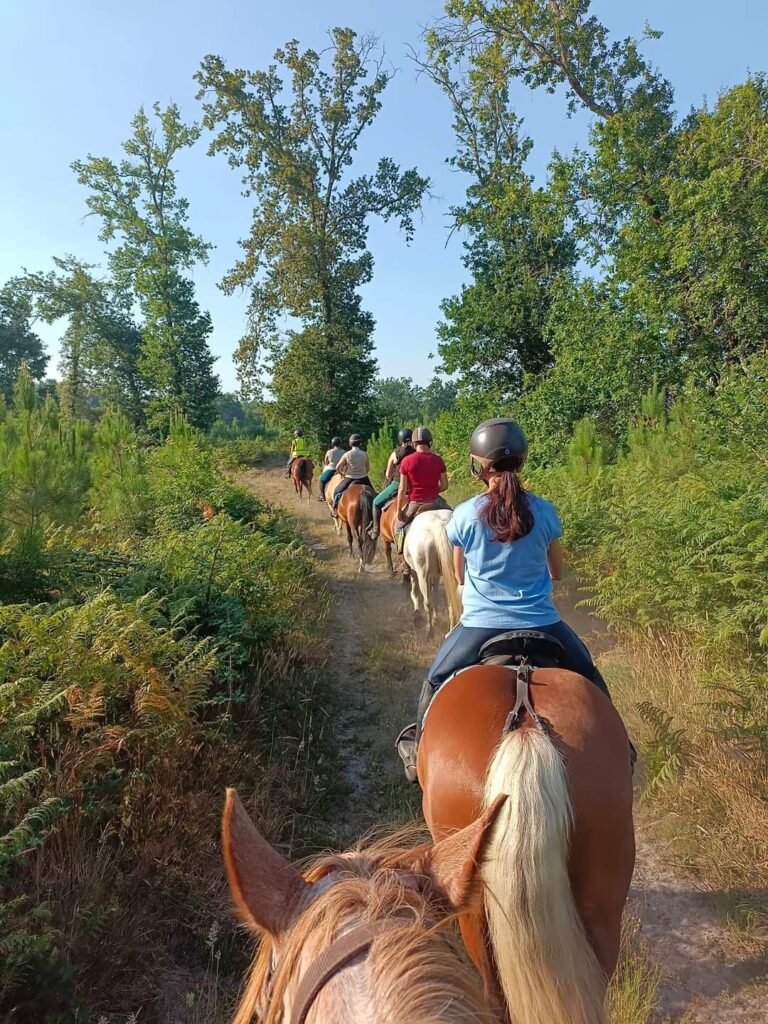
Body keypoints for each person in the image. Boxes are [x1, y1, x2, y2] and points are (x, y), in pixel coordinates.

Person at [396, 417, 614, 783]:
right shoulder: (544, 510)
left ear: (478, 466)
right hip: (543, 622)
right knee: (590, 674)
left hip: (480, 627)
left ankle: (418, 753)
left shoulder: (465, 514)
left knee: (433, 680)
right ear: (522, 461)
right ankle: (620, 751)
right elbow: (557, 572)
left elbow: (460, 575)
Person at [394, 426, 449, 552]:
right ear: (430, 442)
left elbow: (402, 489)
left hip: (415, 503)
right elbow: (445, 485)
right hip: (436, 501)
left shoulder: (407, 461)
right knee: (456, 520)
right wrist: (433, 490)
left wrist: (398, 510)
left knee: (398, 527)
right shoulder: (438, 459)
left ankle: (402, 559)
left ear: (414, 443)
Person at [368, 428, 415, 539]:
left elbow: (388, 474)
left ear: (400, 439)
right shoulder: (416, 452)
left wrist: (389, 478)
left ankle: (375, 530)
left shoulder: (396, 453)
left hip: (398, 484)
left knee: (375, 502)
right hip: (414, 485)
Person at [331, 434, 373, 517]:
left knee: (337, 491)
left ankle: (335, 510)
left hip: (349, 478)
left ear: (350, 443)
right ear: (360, 443)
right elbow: (368, 469)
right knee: (373, 494)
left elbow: (337, 467)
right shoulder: (364, 454)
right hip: (364, 478)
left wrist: (343, 474)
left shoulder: (347, 454)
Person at [318, 436, 346, 502]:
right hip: (341, 470)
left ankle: (322, 495)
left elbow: (326, 462)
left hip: (331, 469)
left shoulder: (329, 452)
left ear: (333, 443)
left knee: (321, 479)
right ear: (340, 443)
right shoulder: (344, 451)